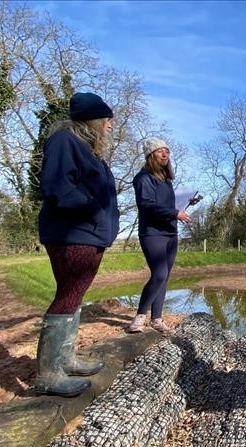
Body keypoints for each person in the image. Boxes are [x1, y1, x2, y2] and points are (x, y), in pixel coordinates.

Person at [35, 92, 119, 397]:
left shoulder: (88, 150)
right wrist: (93, 209)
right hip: (73, 233)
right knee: (67, 295)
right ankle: (49, 374)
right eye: (107, 120)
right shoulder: (64, 141)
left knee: (74, 295)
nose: (110, 125)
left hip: (88, 233)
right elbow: (56, 187)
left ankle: (66, 358)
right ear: (94, 120)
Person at [126, 138, 191, 336]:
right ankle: (139, 317)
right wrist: (174, 213)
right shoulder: (143, 178)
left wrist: (185, 203)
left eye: (167, 152)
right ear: (150, 155)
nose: (165, 155)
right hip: (152, 233)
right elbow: (146, 205)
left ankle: (157, 319)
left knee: (165, 277)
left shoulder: (166, 180)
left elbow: (167, 205)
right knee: (159, 274)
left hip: (171, 233)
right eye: (160, 151)